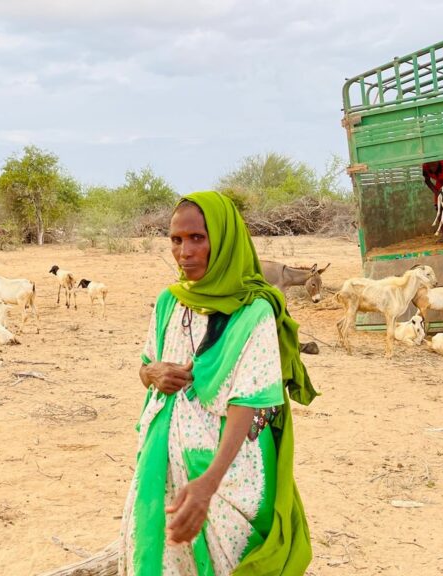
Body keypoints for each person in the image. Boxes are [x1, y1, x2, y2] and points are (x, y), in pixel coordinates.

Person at [118, 191, 317, 576]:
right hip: (163, 465)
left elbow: (249, 401)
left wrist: (208, 484)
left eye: (197, 238)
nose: (184, 251)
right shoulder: (169, 302)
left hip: (227, 474)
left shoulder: (253, 310)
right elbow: (146, 367)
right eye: (176, 240)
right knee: (161, 557)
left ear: (223, 240)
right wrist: (153, 374)